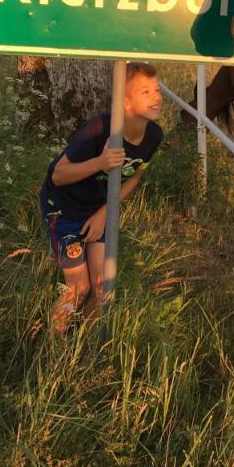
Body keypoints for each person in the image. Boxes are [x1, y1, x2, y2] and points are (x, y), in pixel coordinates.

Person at [39, 61, 164, 332]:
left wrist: (104, 212)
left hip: (98, 207)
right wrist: (100, 162)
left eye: (157, 89)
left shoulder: (154, 135)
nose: (156, 96)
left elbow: (135, 176)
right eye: (145, 92)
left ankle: (83, 347)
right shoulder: (98, 128)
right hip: (64, 209)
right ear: (125, 103)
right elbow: (58, 176)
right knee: (78, 288)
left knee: (103, 287)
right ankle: (54, 349)